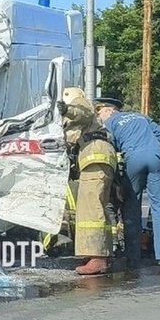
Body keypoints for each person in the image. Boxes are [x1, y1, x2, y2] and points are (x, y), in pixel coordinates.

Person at [96, 97, 160, 271]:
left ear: (109, 110)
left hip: (134, 160)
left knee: (132, 207)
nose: (99, 116)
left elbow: (110, 149)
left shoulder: (109, 124)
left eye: (99, 112)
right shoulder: (139, 116)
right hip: (156, 157)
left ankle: (132, 257)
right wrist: (149, 147)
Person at [61, 88, 118, 275]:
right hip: (97, 157)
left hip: (95, 156)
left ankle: (97, 258)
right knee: (97, 205)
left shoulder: (79, 104)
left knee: (90, 208)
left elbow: (82, 112)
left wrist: (66, 110)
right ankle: (100, 253)